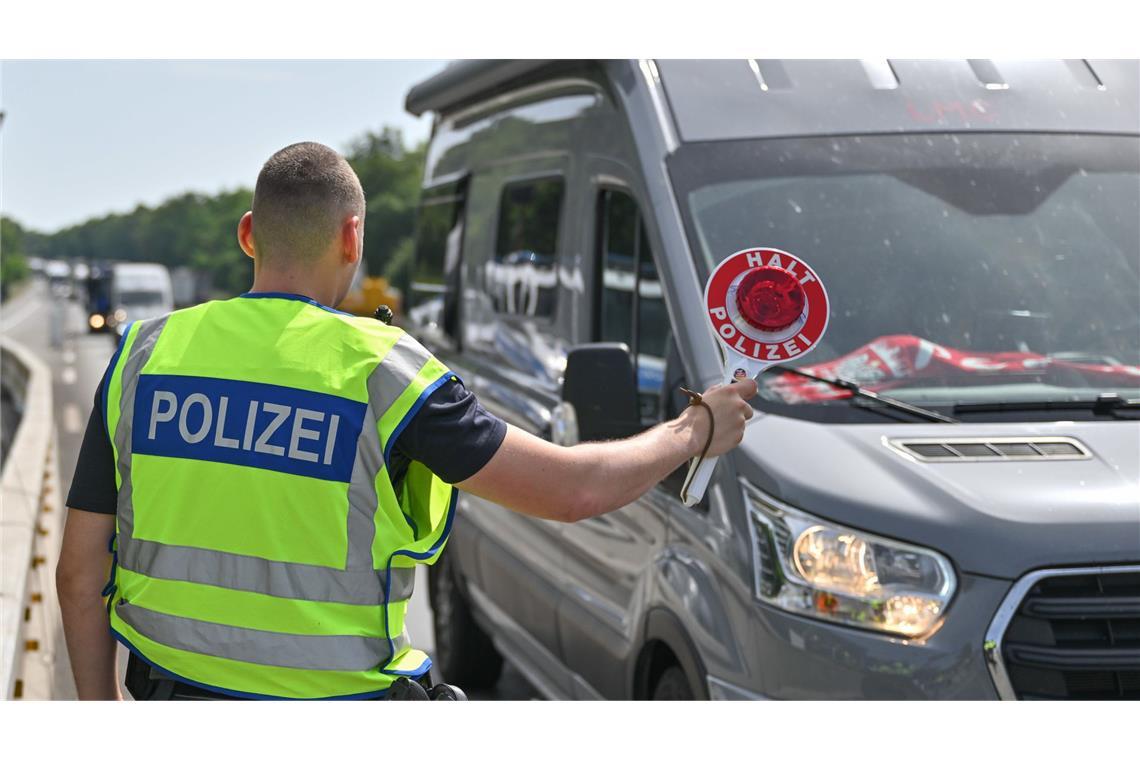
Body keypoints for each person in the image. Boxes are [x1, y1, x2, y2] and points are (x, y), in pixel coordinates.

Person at [55, 142, 757, 701]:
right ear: (352, 237)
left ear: (247, 235)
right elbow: (570, 491)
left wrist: (99, 710)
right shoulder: (386, 372)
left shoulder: (145, 355)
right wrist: (695, 429)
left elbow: (79, 571)